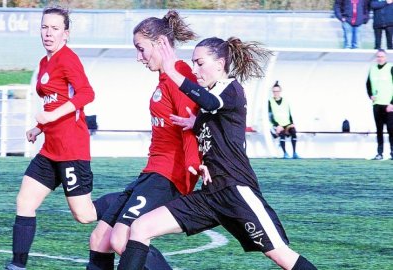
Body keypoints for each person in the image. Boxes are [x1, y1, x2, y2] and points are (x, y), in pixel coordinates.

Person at [117, 36, 317, 270]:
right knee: (141, 227)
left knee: (281, 255)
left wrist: (172, 72)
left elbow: (211, 103)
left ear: (220, 64)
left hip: (235, 191)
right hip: (210, 195)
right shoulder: (208, 104)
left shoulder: (231, 89)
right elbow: (213, 136)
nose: (195, 69)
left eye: (200, 63)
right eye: (193, 63)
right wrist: (201, 153)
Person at [87, 10, 202, 270]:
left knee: (121, 239)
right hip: (151, 173)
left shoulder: (180, 76)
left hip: (168, 176)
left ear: (161, 43)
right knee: (100, 239)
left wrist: (193, 166)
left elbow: (189, 127)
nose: (138, 57)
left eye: (141, 49)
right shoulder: (165, 79)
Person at [5, 7, 117, 270]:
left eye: (55, 28)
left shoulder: (68, 59)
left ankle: (125, 200)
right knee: (24, 201)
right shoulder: (45, 62)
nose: (48, 33)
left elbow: (86, 94)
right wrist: (39, 128)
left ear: (65, 34)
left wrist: (51, 116)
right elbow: (56, 99)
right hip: (49, 150)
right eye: (44, 27)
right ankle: (17, 265)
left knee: (85, 215)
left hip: (71, 149)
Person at [366, 49, 393, 160]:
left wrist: (392, 103)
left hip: (389, 106)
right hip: (377, 105)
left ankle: (392, 152)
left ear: (385, 57)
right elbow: (368, 84)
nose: (380, 58)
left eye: (382, 56)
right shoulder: (372, 69)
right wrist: (370, 95)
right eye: (378, 56)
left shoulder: (391, 68)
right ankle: (379, 153)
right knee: (379, 130)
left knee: (391, 130)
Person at [268, 81, 300, 159]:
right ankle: (285, 153)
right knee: (281, 133)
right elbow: (270, 116)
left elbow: (289, 114)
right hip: (276, 125)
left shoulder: (285, 101)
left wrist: (292, 123)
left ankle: (294, 153)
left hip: (287, 124)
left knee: (293, 131)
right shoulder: (270, 102)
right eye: (274, 91)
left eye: (277, 91)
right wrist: (277, 125)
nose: (276, 93)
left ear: (280, 91)